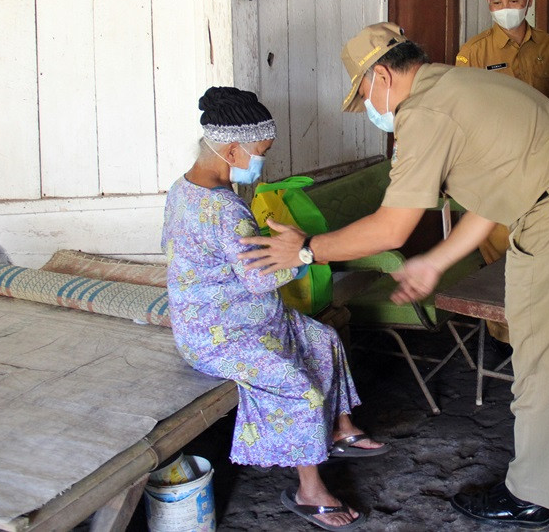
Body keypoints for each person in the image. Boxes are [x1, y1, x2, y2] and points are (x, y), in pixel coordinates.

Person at [239, 22, 549, 527]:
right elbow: (499, 196)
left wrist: (307, 250)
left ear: (382, 76)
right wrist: (436, 260)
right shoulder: (465, 84)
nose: (369, 106)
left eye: (364, 92)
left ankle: (535, 492)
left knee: (544, 357)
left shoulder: (423, 114)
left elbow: (391, 228)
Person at [162, 86, 388, 531]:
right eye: (261, 151)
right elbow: (261, 277)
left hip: (245, 317)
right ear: (231, 149)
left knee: (321, 338)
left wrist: (278, 249)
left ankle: (340, 427)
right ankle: (310, 490)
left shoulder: (183, 188)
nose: (264, 159)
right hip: (217, 335)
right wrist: (300, 253)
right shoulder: (226, 210)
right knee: (297, 386)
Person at [455, 0, 549, 346]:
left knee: (543, 256)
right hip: (496, 175)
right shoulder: (473, 53)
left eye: (514, 0)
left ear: (529, 0)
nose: (506, 8)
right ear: (488, 3)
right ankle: (508, 342)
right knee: (503, 261)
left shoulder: (548, 46)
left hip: (545, 172)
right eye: (498, 1)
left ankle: (542, 339)